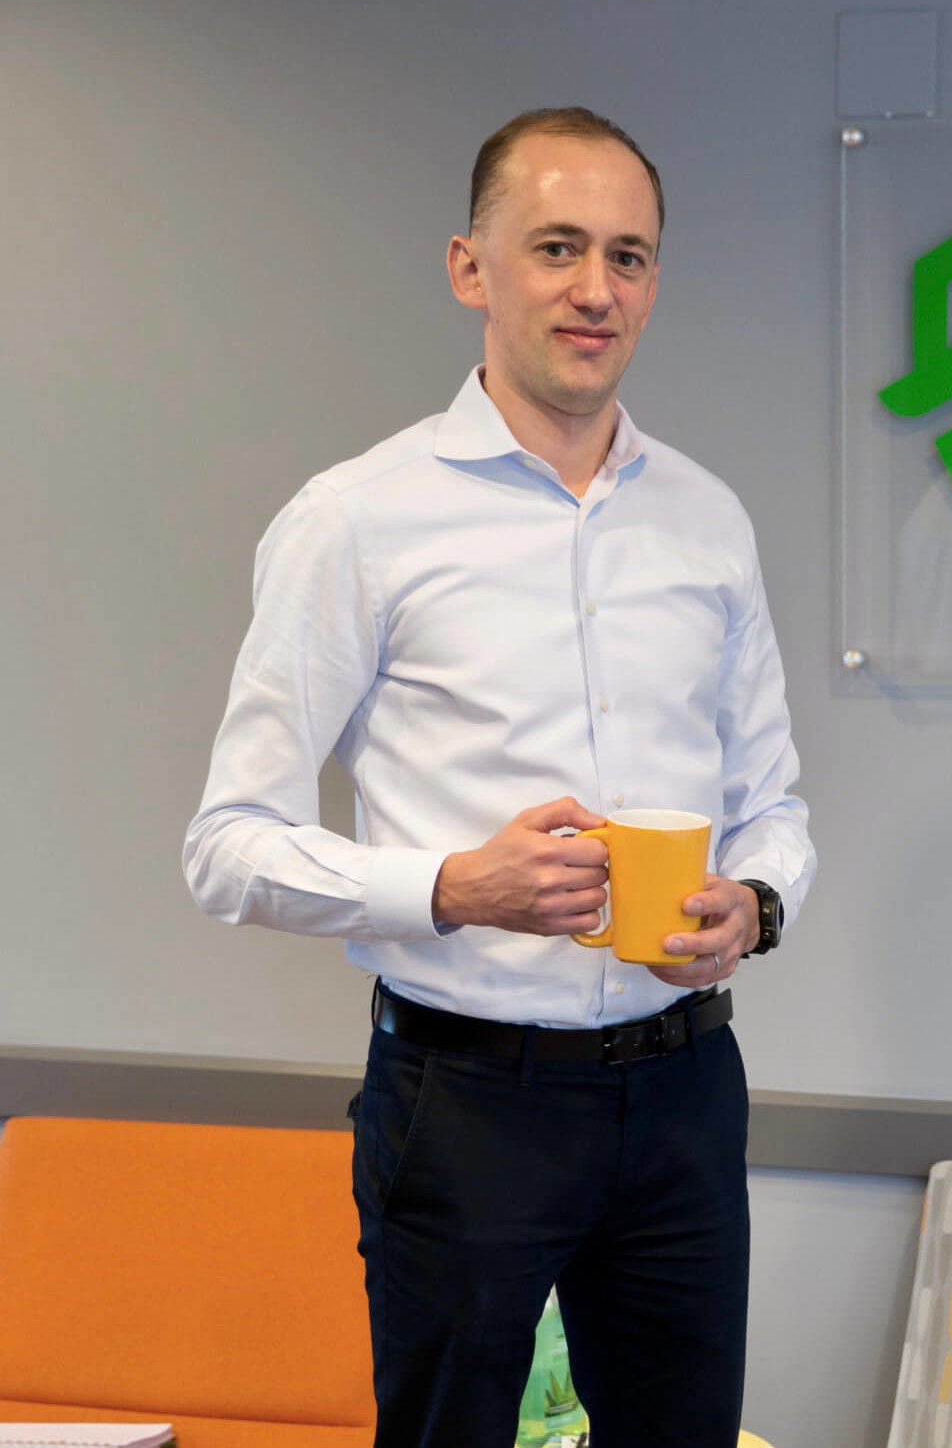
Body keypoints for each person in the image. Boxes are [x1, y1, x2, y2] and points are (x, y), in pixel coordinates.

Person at [184, 106, 815, 1448]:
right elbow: (227, 843)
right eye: (557, 247)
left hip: (685, 1091)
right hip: (466, 1100)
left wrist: (757, 903)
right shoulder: (357, 519)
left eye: (628, 256)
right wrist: (454, 886)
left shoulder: (706, 518)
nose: (596, 289)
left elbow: (774, 803)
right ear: (471, 267)